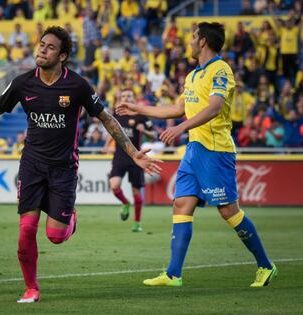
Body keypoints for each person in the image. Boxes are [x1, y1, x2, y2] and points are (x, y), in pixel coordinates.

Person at [0, 26, 161, 304]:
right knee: (26, 228)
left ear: (63, 56)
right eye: (41, 44)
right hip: (32, 164)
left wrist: (132, 152)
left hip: (64, 168)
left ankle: (70, 218)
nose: (42, 49)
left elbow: (106, 118)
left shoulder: (77, 85)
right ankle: (31, 288)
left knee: (56, 236)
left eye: (50, 47)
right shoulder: (23, 83)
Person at [116, 22, 277, 288]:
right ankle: (173, 274)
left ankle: (265, 265)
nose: (189, 41)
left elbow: (214, 108)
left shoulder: (221, 70)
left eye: (192, 37)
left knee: (228, 211)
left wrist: (180, 128)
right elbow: (178, 108)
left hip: (216, 151)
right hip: (194, 150)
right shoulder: (193, 76)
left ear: (202, 41)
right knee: (181, 205)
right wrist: (137, 109)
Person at [107, 89, 155, 232]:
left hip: (136, 158)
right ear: (120, 99)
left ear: (134, 99)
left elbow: (154, 135)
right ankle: (125, 203)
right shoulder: (116, 114)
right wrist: (106, 145)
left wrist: (145, 131)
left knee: (136, 192)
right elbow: (112, 130)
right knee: (114, 185)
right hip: (119, 156)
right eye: (123, 96)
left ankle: (137, 223)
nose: (126, 98)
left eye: (129, 96)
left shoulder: (142, 116)